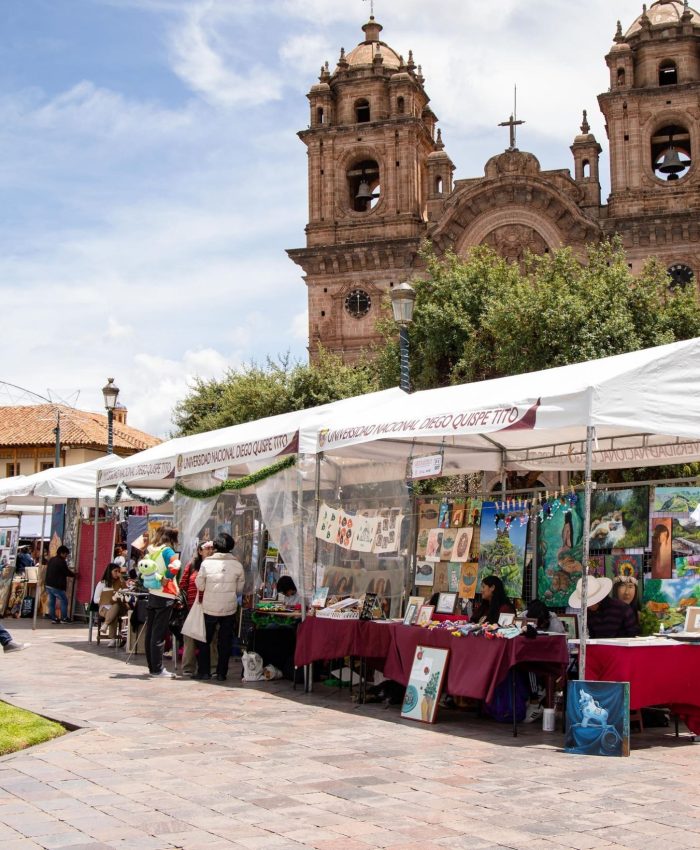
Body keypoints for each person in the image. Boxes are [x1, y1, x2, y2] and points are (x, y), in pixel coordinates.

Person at [195, 532, 245, 681]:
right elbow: (239, 589)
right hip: (229, 608)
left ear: (215, 546)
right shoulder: (237, 564)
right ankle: (221, 673)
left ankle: (204, 671)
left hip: (209, 607)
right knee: (225, 641)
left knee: (204, 640)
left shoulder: (206, 563)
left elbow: (200, 585)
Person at [143, 527, 181, 679]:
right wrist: (166, 576)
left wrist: (157, 577)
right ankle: (157, 669)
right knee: (158, 634)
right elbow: (176, 565)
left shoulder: (150, 551)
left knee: (150, 632)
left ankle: (153, 667)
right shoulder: (167, 551)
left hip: (152, 592)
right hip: (165, 594)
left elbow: (143, 569)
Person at [179, 540, 215, 675]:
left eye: (212, 548)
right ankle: (188, 667)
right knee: (190, 637)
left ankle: (212, 667)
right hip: (192, 608)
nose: (210, 551)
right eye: (207, 548)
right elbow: (182, 584)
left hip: (210, 606)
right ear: (200, 551)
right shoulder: (192, 565)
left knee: (211, 638)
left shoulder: (215, 566)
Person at [569, 575, 639, 638]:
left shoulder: (623, 609)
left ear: (598, 600)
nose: (587, 607)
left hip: (622, 650)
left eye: (588, 604)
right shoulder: (589, 613)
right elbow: (593, 637)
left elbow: (633, 637)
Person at [93, 563, 127, 647]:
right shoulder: (102, 583)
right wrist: (107, 600)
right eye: (115, 571)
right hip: (104, 608)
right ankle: (112, 639)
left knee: (116, 605)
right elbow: (95, 599)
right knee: (113, 613)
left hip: (119, 607)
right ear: (110, 572)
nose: (117, 573)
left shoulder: (120, 582)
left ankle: (105, 624)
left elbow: (126, 591)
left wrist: (122, 579)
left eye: (119, 571)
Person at [45, 545, 74, 624]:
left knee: (52, 602)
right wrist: (75, 575)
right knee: (64, 600)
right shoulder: (61, 561)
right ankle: (64, 618)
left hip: (48, 584)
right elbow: (66, 572)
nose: (66, 556)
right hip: (57, 586)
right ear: (62, 553)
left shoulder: (51, 559)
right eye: (65, 554)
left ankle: (54, 618)